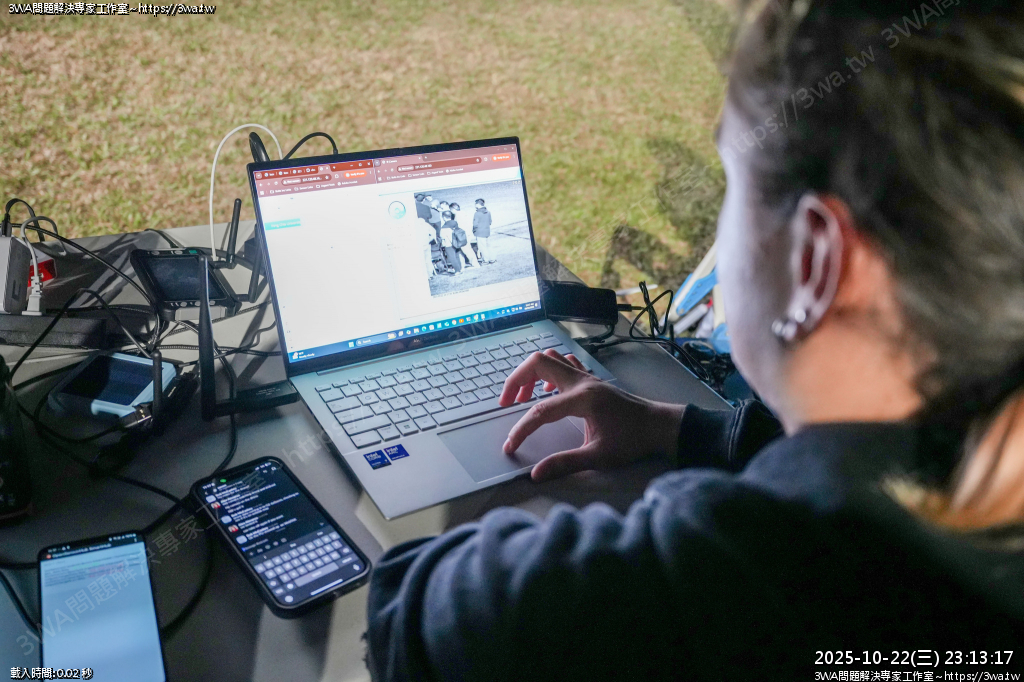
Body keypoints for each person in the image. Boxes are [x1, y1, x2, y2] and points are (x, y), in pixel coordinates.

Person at [366, 2, 1024, 680]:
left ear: (815, 263)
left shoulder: (729, 576)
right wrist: (678, 428)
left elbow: (416, 615)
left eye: (731, 188)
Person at [450, 202, 477, 267]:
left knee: (466, 250)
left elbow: (459, 226)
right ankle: (466, 264)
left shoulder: (458, 215)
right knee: (466, 249)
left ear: (453, 209)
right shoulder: (463, 213)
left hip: (462, 235)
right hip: (467, 233)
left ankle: (475, 263)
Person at [472, 197, 494, 264]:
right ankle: (492, 258)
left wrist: (474, 231)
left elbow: (475, 224)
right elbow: (490, 222)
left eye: (475, 204)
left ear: (478, 204)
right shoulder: (488, 212)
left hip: (480, 232)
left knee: (482, 247)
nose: (475, 205)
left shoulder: (477, 213)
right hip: (487, 231)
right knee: (489, 246)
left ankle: (486, 260)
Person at [438, 211, 460, 275]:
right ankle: (460, 269)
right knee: (457, 256)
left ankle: (457, 271)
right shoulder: (455, 223)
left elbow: (442, 236)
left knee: (452, 258)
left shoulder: (444, 227)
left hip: (448, 244)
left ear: (444, 217)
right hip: (457, 242)